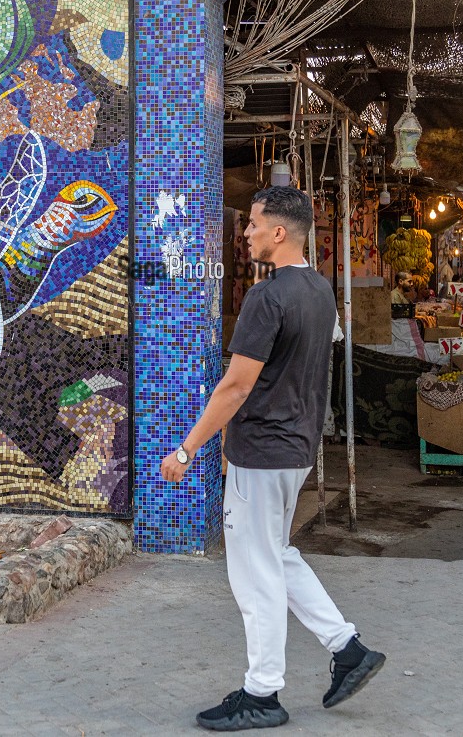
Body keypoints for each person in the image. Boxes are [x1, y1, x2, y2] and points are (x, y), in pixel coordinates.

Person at [160, 187, 384, 731]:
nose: (247, 232)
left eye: (254, 224)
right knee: (276, 555)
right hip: (297, 449)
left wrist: (188, 448)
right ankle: (346, 647)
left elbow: (235, 387)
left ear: (279, 232)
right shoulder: (320, 292)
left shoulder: (268, 298)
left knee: (254, 572)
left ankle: (262, 692)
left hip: (260, 452)